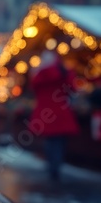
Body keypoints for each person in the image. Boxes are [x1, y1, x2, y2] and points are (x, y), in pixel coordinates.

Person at [29, 51, 79, 180]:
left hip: (46, 114)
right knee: (58, 142)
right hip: (62, 112)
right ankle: (55, 166)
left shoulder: (40, 74)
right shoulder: (65, 72)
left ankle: (52, 166)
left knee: (50, 141)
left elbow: (33, 87)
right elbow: (73, 89)